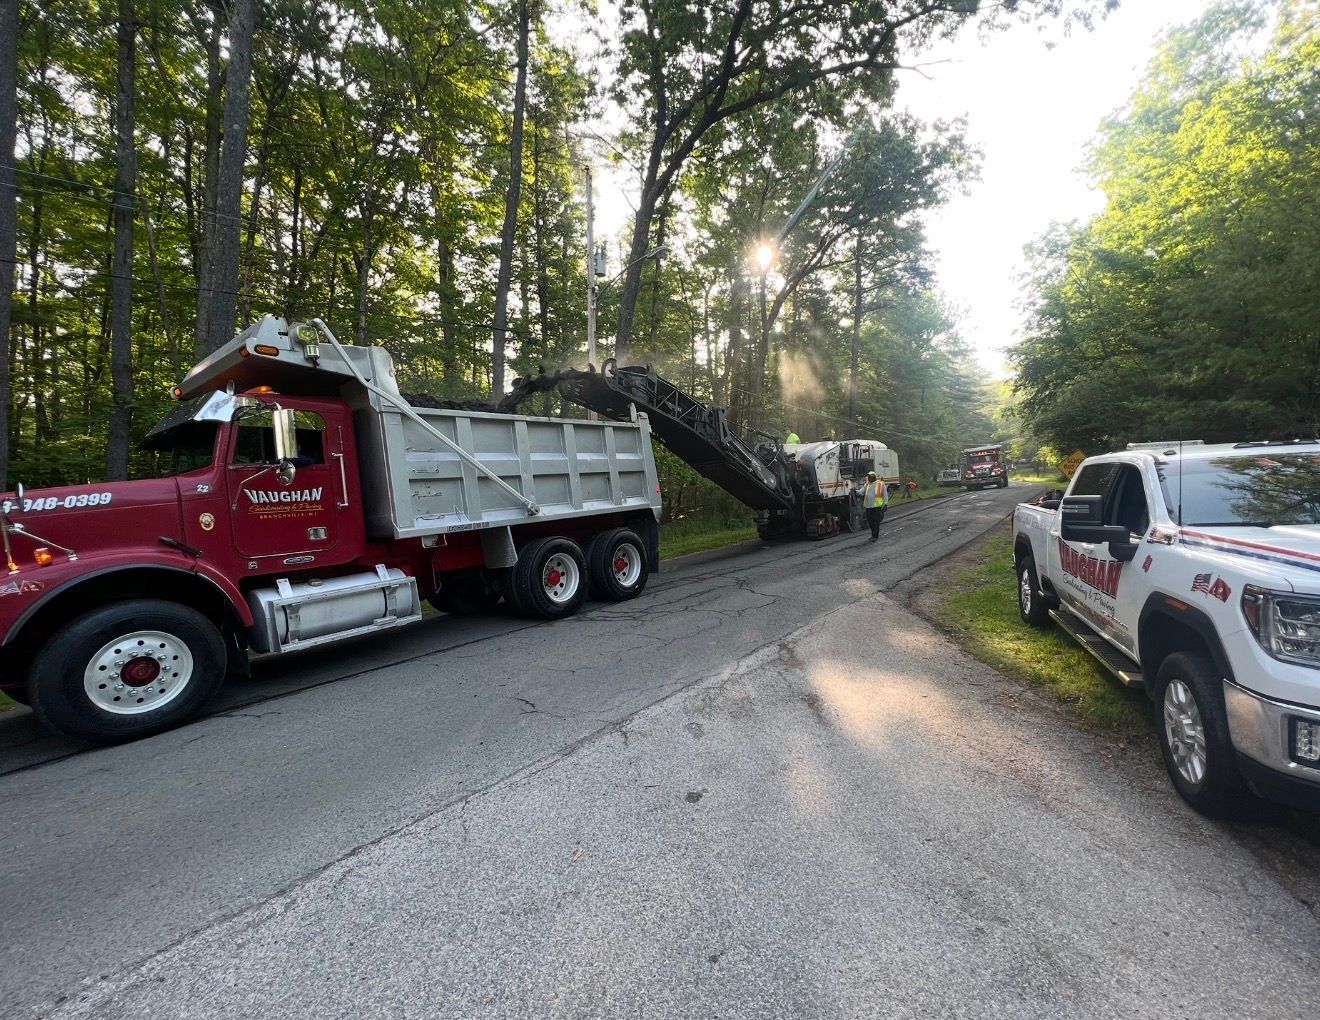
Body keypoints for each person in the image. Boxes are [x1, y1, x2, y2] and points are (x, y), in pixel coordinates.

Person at [863, 470, 886, 542]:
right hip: (869, 506)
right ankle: (873, 534)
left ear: (874, 477)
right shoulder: (867, 484)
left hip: (877, 506)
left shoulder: (880, 484)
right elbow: (862, 491)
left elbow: (885, 494)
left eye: (871, 476)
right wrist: (855, 491)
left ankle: (875, 536)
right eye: (868, 476)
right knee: (870, 521)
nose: (869, 478)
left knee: (876, 521)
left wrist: (885, 504)